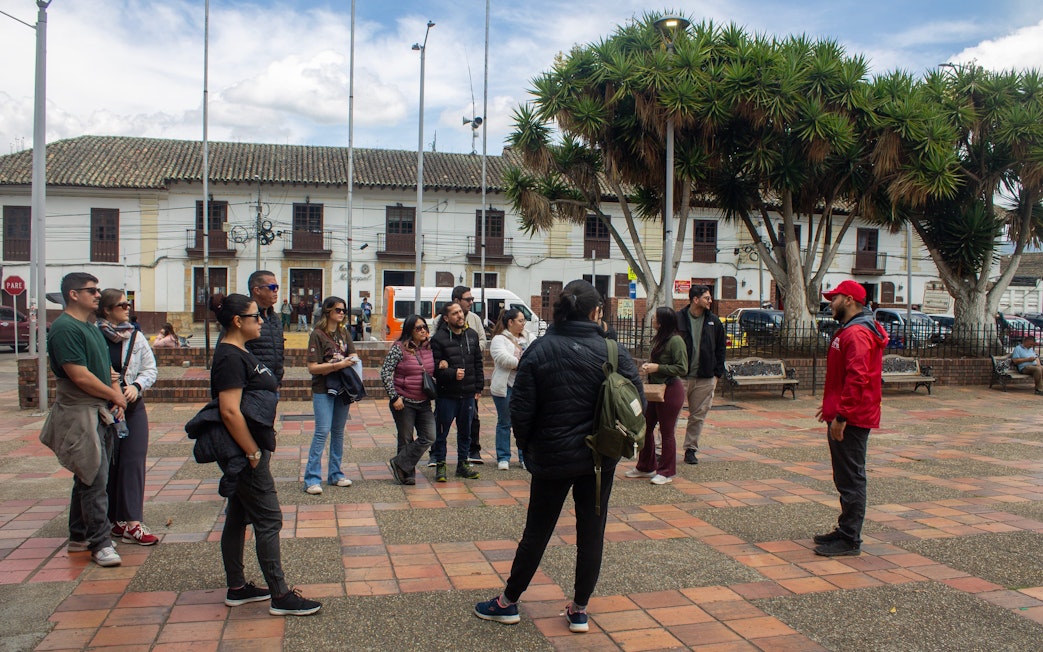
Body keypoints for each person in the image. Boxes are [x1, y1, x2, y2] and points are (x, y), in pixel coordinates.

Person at [474, 280, 642, 633]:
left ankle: (508, 601)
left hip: (551, 456)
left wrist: (529, 448)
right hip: (600, 457)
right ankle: (579, 608)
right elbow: (634, 401)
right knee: (592, 531)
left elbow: (521, 410)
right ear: (597, 312)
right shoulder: (613, 351)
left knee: (537, 531)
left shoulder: (540, 349)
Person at [207, 293, 322, 616]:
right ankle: (280, 595)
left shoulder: (239, 351)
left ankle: (237, 587)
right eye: (255, 316)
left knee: (238, 515)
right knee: (269, 519)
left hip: (249, 448)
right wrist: (252, 451)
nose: (261, 321)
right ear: (237, 322)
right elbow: (229, 411)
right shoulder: (230, 356)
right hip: (245, 452)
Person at [39, 273, 128, 568]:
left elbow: (108, 371)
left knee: (88, 476)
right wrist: (114, 397)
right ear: (73, 294)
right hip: (80, 411)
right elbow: (79, 376)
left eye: (98, 289)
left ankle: (79, 535)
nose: (98, 295)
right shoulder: (65, 328)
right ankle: (100, 544)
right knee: (94, 478)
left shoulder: (90, 326)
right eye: (92, 290)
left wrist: (116, 394)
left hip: (98, 409)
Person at [814, 280, 887, 557]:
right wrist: (832, 408)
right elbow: (845, 377)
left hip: (853, 417)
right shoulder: (852, 330)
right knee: (845, 476)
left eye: (834, 298)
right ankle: (846, 529)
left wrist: (841, 416)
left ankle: (849, 538)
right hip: (848, 413)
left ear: (848, 300)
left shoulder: (856, 333)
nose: (830, 303)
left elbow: (858, 377)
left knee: (851, 478)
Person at [97, 289, 159, 546]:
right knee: (107, 465)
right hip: (103, 407)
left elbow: (150, 368)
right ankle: (114, 520)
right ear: (107, 310)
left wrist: (136, 385)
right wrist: (113, 396)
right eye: (121, 305)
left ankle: (133, 522)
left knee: (133, 462)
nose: (127, 308)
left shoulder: (135, 335)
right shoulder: (94, 336)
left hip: (132, 407)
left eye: (128, 303)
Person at [303, 296, 359, 495]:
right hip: (323, 388)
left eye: (344, 310)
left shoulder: (344, 332)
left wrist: (351, 359)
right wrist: (338, 364)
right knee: (322, 431)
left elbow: (352, 354)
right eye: (338, 310)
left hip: (342, 387)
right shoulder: (317, 335)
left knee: (338, 431)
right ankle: (311, 478)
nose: (342, 313)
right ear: (327, 311)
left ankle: (335, 473)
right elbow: (312, 367)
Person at [626, 306, 688, 485]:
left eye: (654, 318)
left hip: (670, 390)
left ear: (661, 323)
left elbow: (682, 368)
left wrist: (657, 368)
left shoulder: (676, 341)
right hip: (655, 389)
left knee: (666, 431)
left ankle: (667, 471)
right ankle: (645, 466)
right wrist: (649, 366)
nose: (651, 320)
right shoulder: (660, 339)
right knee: (645, 426)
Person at [431, 285, 488, 465]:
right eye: (456, 313)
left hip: (468, 391)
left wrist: (479, 386)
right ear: (447, 318)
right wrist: (450, 372)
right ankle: (439, 463)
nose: (461, 315)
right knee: (442, 430)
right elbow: (434, 365)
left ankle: (464, 463)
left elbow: (478, 362)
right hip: (447, 393)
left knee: (467, 430)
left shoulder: (471, 333)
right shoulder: (439, 337)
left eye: (461, 313)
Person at [382, 314, 437, 485]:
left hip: (424, 401)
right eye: (418, 328)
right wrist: (394, 397)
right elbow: (385, 372)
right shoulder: (399, 348)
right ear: (409, 331)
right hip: (404, 401)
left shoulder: (430, 348)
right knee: (405, 438)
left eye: (424, 327)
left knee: (429, 436)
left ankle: (399, 463)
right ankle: (407, 473)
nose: (423, 331)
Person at [675, 285, 726, 465]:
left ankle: (691, 449)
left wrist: (717, 375)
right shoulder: (678, 319)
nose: (710, 301)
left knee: (698, 416)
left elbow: (721, 349)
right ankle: (661, 450)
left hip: (705, 377)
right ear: (695, 299)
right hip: (680, 377)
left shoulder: (714, 322)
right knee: (671, 414)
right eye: (706, 298)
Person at [489, 308, 533, 470]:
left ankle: (524, 457)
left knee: (524, 423)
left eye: (524, 321)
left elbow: (536, 355)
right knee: (504, 422)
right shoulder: (499, 339)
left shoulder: (530, 337)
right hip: (505, 387)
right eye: (520, 320)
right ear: (510, 322)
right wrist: (523, 363)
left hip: (524, 387)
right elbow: (502, 358)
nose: (523, 324)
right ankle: (503, 457)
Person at [245, 271, 284, 389]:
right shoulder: (246, 316)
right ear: (257, 290)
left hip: (273, 385)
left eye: (277, 287)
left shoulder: (274, 317)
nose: (276, 291)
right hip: (253, 387)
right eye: (272, 287)